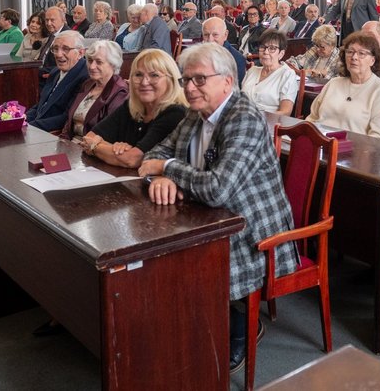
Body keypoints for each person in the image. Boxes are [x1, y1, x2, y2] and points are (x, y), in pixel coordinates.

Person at [139, 43, 299, 374]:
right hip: (206, 213)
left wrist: (167, 169)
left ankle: (242, 322)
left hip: (251, 227)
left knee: (183, 254)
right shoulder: (195, 114)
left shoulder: (244, 118)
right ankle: (188, 320)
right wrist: (160, 177)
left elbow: (216, 189)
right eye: (185, 80)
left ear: (227, 81)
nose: (189, 87)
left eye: (199, 79)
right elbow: (151, 156)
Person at [80, 49, 188, 168]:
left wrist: (95, 146)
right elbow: (89, 137)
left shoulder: (175, 113)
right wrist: (114, 148)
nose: (144, 82)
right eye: (138, 75)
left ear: (171, 80)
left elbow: (132, 159)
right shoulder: (131, 107)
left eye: (154, 75)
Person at [307, 32, 380, 137]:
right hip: (318, 144)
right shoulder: (333, 83)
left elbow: (378, 136)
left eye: (361, 53)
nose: (354, 57)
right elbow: (312, 119)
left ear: (372, 60)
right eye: (350, 52)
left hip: (354, 150)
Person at [59, 39, 129, 139]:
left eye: (99, 62)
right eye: (90, 61)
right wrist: (62, 143)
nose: (92, 67)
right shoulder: (88, 84)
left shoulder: (120, 92)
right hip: (69, 146)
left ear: (113, 64)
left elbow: (109, 133)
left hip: (92, 150)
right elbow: (69, 122)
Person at [27, 31, 90, 131]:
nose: (58, 54)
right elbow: (41, 106)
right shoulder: (55, 71)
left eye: (66, 49)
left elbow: (67, 117)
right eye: (55, 49)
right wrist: (22, 119)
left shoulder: (85, 77)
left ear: (81, 53)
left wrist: (29, 127)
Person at [240, 30, 299, 115]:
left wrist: (259, 118)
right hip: (241, 119)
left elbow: (286, 112)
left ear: (281, 54)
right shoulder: (252, 71)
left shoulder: (287, 75)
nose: (265, 52)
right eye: (263, 47)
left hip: (268, 123)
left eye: (272, 48)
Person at [202, 16, 246, 84]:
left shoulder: (236, 59)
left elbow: (235, 90)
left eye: (215, 35)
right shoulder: (197, 55)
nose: (210, 40)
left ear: (225, 35)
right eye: (206, 35)